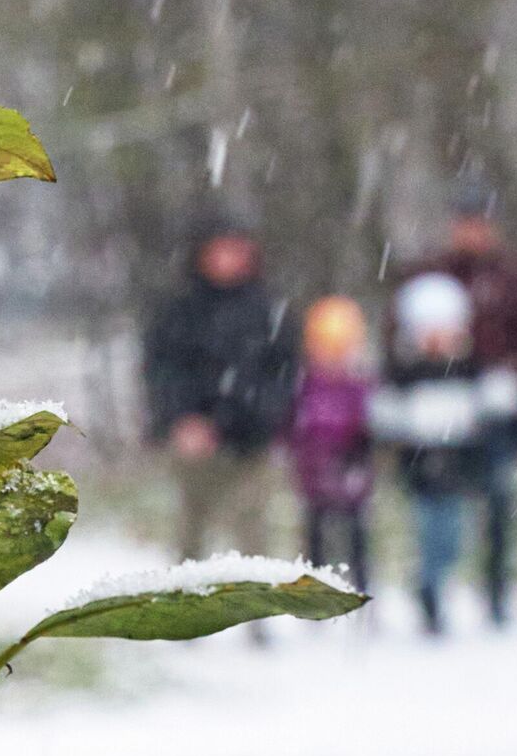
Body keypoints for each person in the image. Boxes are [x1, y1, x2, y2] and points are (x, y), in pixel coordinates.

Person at [386, 183, 517, 625]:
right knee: (439, 511)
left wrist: (508, 378)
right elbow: (399, 343)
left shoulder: (513, 279)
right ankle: (432, 587)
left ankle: (496, 591)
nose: (472, 232)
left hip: (494, 413)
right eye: (465, 222)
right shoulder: (431, 275)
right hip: (440, 416)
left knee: (498, 502)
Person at [372, 273, 517, 635]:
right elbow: (384, 418)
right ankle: (430, 594)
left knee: (482, 530)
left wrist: (498, 411)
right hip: (427, 474)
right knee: (437, 536)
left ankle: (495, 593)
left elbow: (505, 410)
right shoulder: (402, 374)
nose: (438, 339)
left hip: (470, 468)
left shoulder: (476, 368)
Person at [142, 218, 300, 573]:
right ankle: (186, 608)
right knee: (190, 532)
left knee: (254, 531)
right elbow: (161, 371)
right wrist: (180, 420)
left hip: (249, 441)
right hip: (194, 441)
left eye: (237, 249)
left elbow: (283, 375)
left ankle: (256, 609)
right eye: (221, 249)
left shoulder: (268, 311)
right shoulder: (180, 311)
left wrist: (257, 418)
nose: (229, 259)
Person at [287, 296, 376, 594]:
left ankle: (361, 589)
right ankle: (314, 592)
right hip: (313, 472)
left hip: (353, 469)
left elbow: (370, 424)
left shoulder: (361, 386)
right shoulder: (303, 385)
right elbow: (292, 426)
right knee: (315, 536)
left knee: (357, 536)